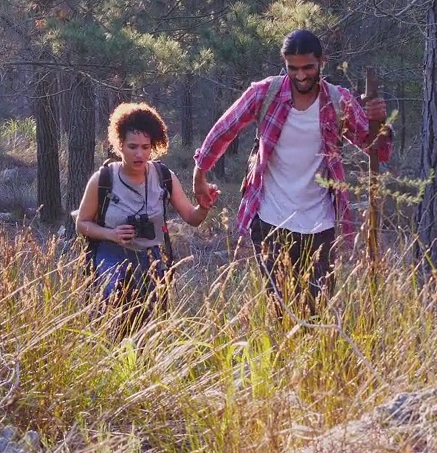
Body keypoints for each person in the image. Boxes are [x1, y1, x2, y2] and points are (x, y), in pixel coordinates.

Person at [192, 29, 390, 319]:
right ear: (284, 64)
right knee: (281, 311)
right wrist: (200, 172)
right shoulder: (265, 93)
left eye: (308, 67)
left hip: (320, 223)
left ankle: (315, 364)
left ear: (323, 61)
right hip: (271, 220)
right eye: (293, 68)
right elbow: (225, 128)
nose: (300, 76)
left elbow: (377, 149)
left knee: (316, 312)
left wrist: (379, 121)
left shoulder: (338, 101)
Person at [75, 102, 215, 335]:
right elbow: (82, 223)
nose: (139, 154)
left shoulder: (163, 176)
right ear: (119, 145)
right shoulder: (103, 179)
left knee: (150, 318)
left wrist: (204, 206)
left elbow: (192, 218)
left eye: (145, 147)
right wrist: (111, 234)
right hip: (111, 253)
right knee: (110, 305)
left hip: (151, 256)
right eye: (132, 147)